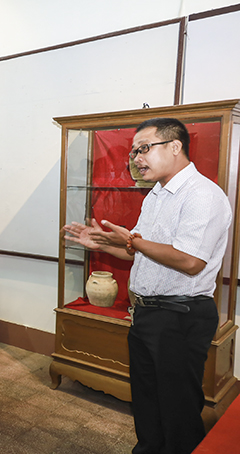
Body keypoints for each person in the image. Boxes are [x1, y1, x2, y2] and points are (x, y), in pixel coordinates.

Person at [63, 117, 232, 454]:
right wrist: (103, 246)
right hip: (146, 314)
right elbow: (138, 254)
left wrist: (134, 243)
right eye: (133, 152)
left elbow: (190, 261)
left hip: (180, 316)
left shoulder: (202, 195)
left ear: (174, 147)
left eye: (144, 148)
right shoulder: (156, 194)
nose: (136, 159)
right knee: (146, 400)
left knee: (178, 408)